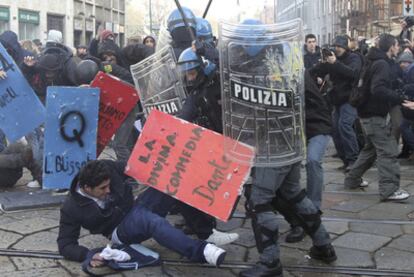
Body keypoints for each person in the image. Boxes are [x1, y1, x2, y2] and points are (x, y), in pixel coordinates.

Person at [220, 19, 337, 277]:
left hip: (270, 148)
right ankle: (323, 244)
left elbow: (253, 111)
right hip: (290, 145)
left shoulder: (257, 71)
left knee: (259, 202)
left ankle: (270, 262)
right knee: (295, 195)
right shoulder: (285, 62)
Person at [57, 160, 227, 267]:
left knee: (173, 183)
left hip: (135, 207)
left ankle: (206, 233)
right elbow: (65, 244)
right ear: (87, 188)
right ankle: (200, 252)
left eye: (109, 185)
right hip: (119, 230)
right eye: (102, 188)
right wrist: (88, 254)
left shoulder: (105, 167)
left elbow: (133, 165)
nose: (108, 190)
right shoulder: (71, 208)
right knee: (152, 222)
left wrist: (157, 166)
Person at [344, 34, 410, 201]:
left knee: (370, 150)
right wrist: (398, 98)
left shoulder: (373, 60)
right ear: (391, 47)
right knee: (388, 151)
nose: (398, 48)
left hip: (366, 114)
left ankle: (352, 180)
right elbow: (378, 89)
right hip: (374, 116)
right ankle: (389, 190)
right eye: (396, 45)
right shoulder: (381, 64)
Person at [285, 70, 333, 243]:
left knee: (313, 161)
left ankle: (313, 209)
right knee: (291, 170)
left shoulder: (300, 77)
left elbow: (317, 107)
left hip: (316, 127)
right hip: (294, 131)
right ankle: (297, 215)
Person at [311, 35, 362, 172]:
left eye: (340, 46)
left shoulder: (354, 58)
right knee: (334, 129)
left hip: (350, 99)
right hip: (337, 99)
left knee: (344, 125)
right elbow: (318, 72)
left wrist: (335, 63)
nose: (337, 49)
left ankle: (353, 160)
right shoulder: (334, 59)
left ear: (345, 47)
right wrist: (322, 63)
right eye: (336, 46)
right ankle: (345, 159)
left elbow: (353, 74)